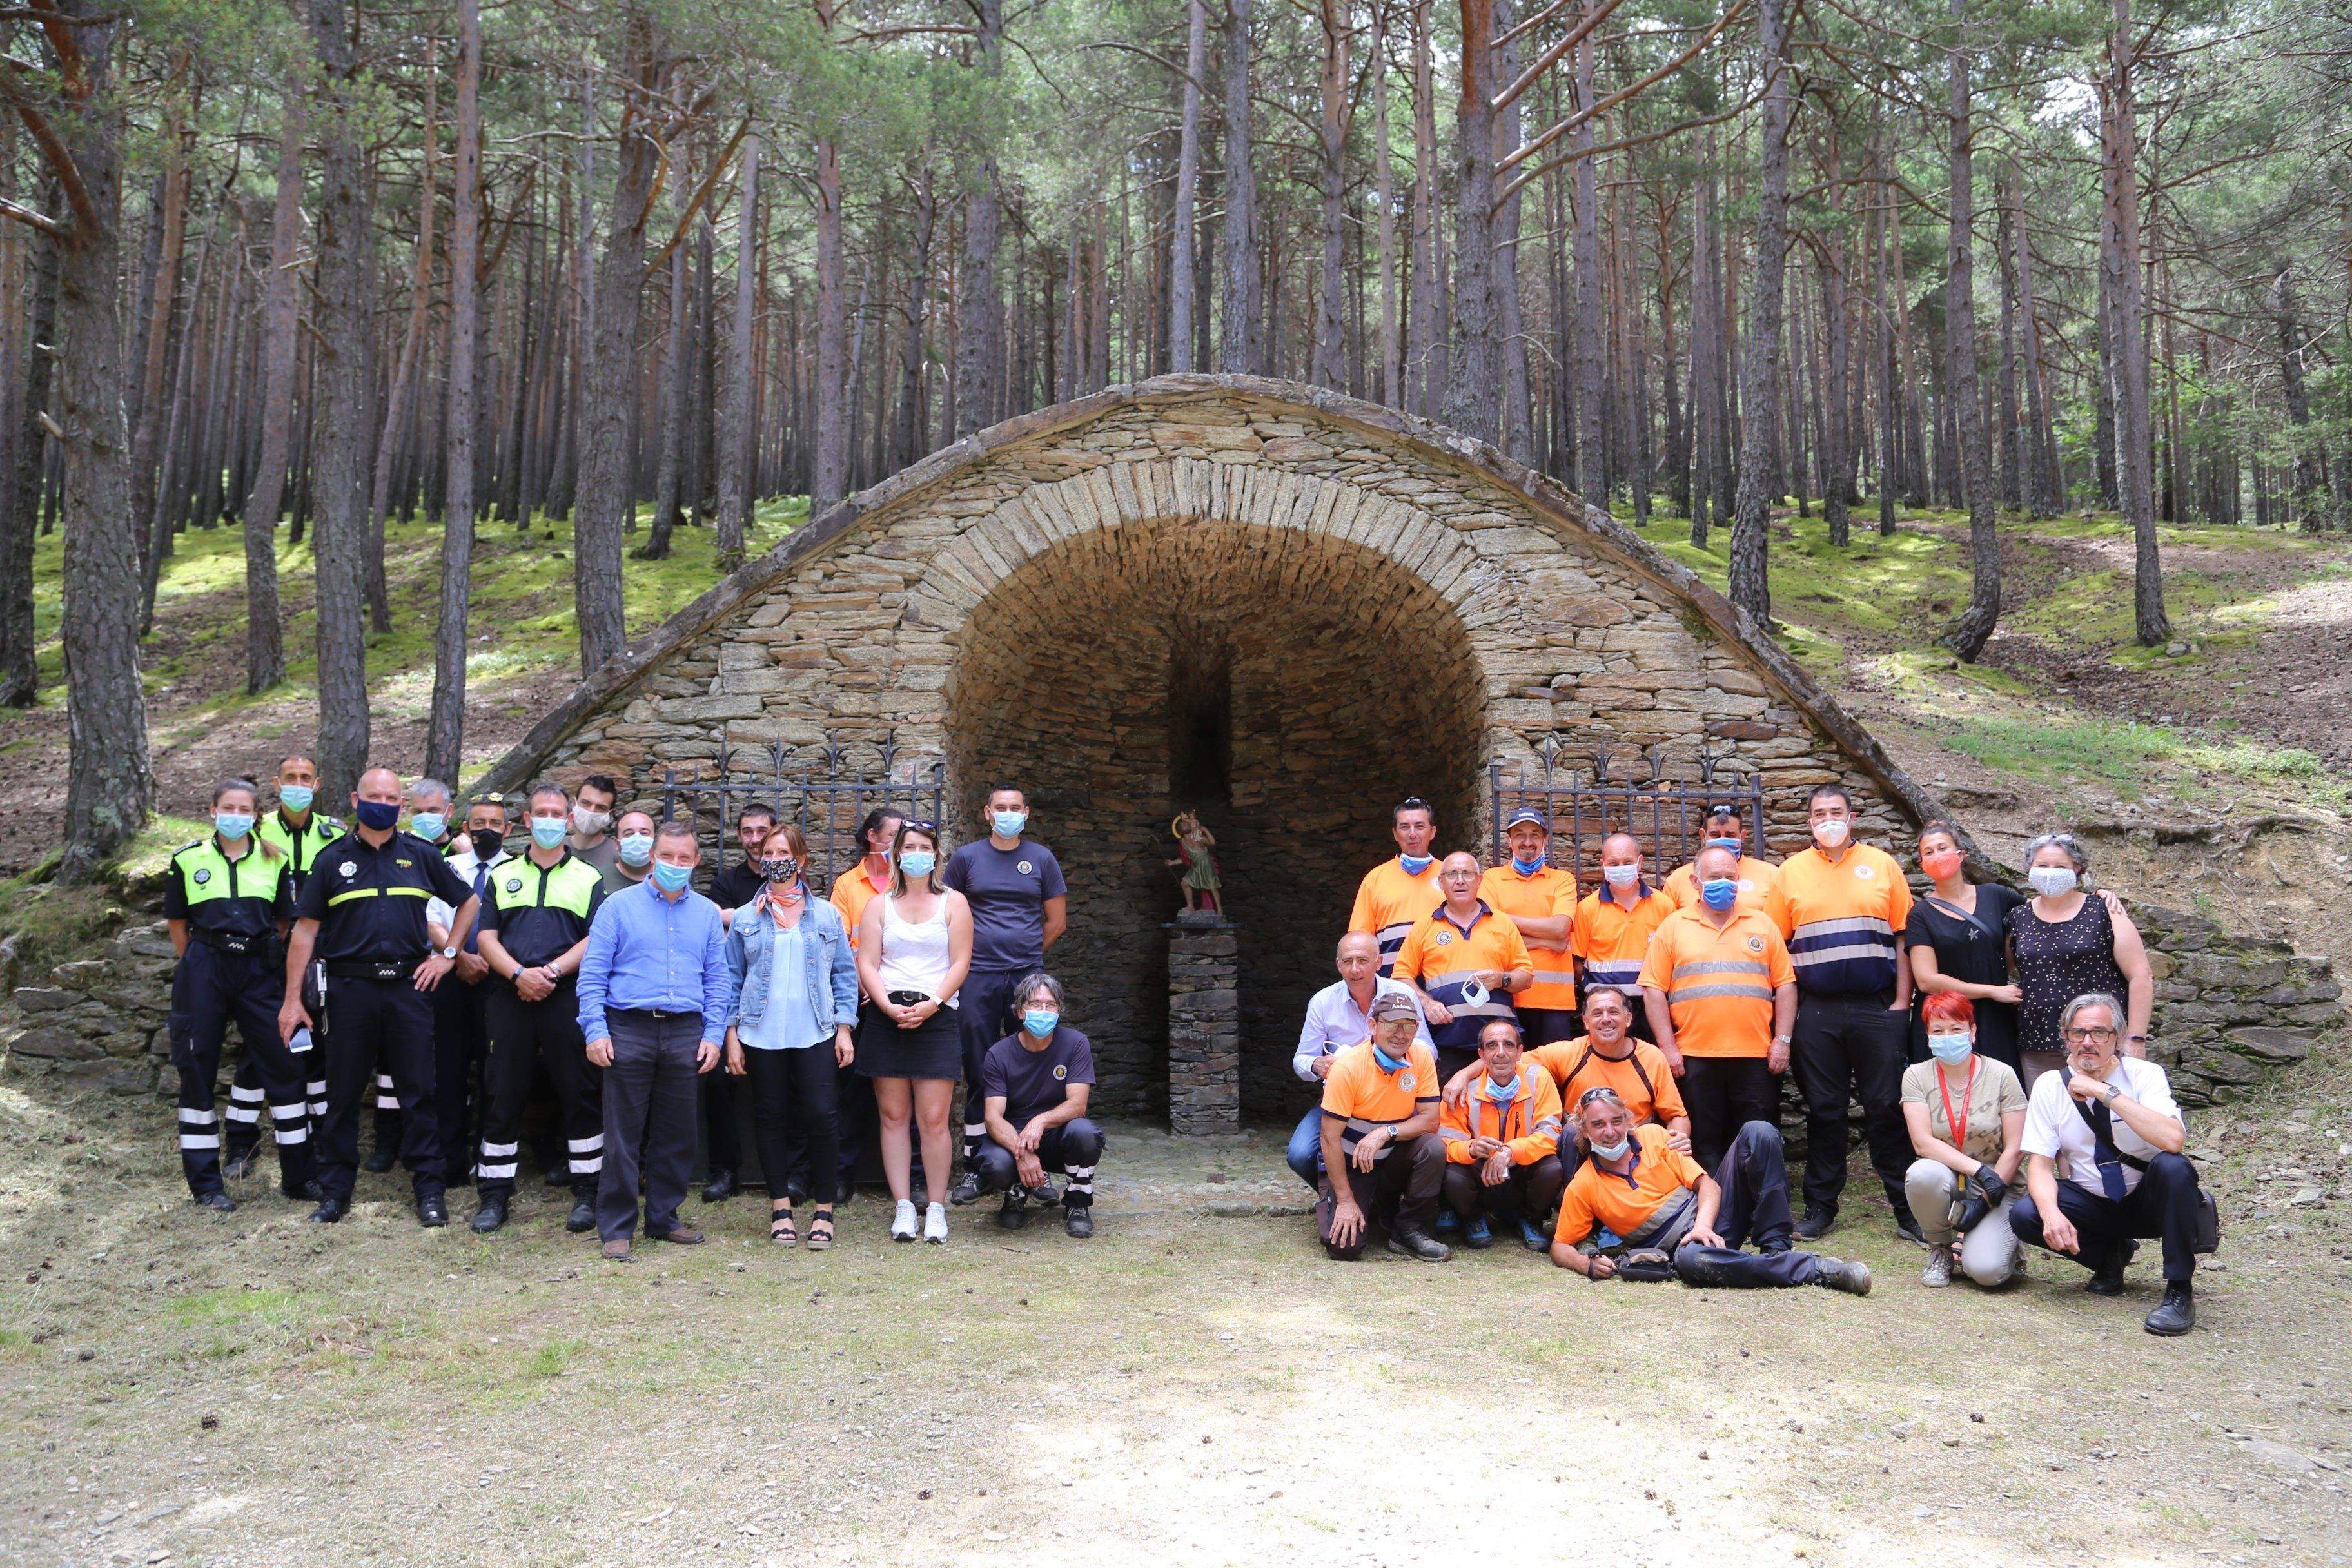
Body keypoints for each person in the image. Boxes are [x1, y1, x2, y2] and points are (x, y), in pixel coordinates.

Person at [278, 767, 478, 1227]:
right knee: (343, 1095)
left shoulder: (422, 855)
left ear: (401, 806)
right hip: (350, 990)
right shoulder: (331, 860)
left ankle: (430, 1192)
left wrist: (448, 954)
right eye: (374, 796)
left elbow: (468, 902)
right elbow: (304, 933)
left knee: (419, 1093)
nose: (383, 804)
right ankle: (335, 1194)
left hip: (411, 988)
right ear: (355, 799)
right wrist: (293, 1000)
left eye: (392, 798)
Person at [1765, 783, 1918, 1242]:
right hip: (1817, 1012)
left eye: (1836, 811)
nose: (1828, 819)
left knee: (1886, 1108)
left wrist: (1901, 1003)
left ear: (1852, 818)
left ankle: (1909, 1210)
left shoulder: (1883, 865)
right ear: (1809, 822)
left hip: (1877, 1007)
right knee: (1825, 1111)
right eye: (1819, 813)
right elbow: (1777, 948)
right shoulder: (1789, 872)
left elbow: (1904, 939)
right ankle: (1820, 1207)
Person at [574, 820, 729, 1262]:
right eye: (667, 857)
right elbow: (593, 975)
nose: (675, 865)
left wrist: (714, 1036)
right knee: (623, 1133)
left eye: (684, 858)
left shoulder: (705, 913)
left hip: (686, 1030)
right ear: (652, 858)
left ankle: (664, 1217)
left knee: (677, 1131)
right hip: (629, 1028)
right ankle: (617, 1227)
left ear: (696, 861)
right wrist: (596, 1030)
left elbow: (719, 981)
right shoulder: (617, 907)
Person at [1548, 1088, 1872, 1295]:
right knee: (1691, 1263)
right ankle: (1813, 1269)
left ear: (1628, 1121)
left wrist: (1703, 1226)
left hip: (1714, 1218)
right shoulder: (1584, 1184)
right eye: (1598, 1125)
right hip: (1680, 1250)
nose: (1610, 1132)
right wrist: (1583, 1264)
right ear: (1585, 1130)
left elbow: (1708, 1185)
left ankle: (1777, 1248)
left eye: (1616, 1121)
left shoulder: (1653, 1135)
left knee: (1758, 1132)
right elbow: (1561, 1246)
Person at [2009, 992, 2203, 1335]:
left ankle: (2179, 1291)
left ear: (2117, 1038)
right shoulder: (2049, 1085)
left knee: (2174, 1167)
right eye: (2077, 1033)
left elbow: (2173, 1139)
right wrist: (2052, 1214)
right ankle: (2108, 1259)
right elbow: (2039, 1165)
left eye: (2100, 1033)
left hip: (2148, 1201)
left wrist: (2105, 1093)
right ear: (2065, 1037)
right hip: (2092, 1200)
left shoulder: (2144, 1075)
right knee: (2027, 1214)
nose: (2087, 1042)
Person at [166, 780, 313, 1211]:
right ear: (212, 810)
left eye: (244, 808)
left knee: (286, 1067)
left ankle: (299, 1179)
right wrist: (197, 962)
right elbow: (178, 924)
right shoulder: (187, 859)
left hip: (258, 971)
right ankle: (207, 1186)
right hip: (205, 968)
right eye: (228, 807)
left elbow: (285, 922)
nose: (236, 814)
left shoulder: (275, 860)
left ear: (255, 815)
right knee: (196, 1072)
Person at [469, 783, 607, 1235]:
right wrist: (517, 976)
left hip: (565, 996)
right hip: (509, 996)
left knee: (580, 1091)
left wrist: (549, 973)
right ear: (527, 821)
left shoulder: (588, 878)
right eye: (540, 812)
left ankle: (589, 1192)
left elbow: (595, 939)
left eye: (557, 812)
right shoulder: (503, 875)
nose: (549, 819)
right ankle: (494, 1195)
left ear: (568, 821)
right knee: (502, 1092)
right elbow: (486, 936)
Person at [722, 824, 858, 1249]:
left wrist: (845, 1029)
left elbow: (844, 975)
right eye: (769, 851)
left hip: (815, 1030)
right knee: (770, 1118)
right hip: (760, 1032)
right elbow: (729, 979)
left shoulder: (827, 916)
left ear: (801, 861)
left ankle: (823, 1209)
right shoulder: (745, 917)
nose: (776, 858)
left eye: (785, 852)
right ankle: (780, 1206)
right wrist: (730, 1036)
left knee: (821, 1116)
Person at [943, 787, 1067, 1204]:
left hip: (1026, 978)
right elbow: (949, 914)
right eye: (1001, 808)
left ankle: (1032, 1166)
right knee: (980, 1070)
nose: (1009, 814)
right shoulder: (966, 858)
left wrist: (1026, 955)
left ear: (1026, 813)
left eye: (1016, 808)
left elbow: (1056, 921)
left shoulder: (1042, 859)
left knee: (1030, 1069)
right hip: (976, 975)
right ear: (987, 813)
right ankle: (978, 1166)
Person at [1638, 844, 1795, 1171]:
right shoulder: (1673, 926)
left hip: (1755, 1057)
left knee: (1756, 1137)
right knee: (1703, 1142)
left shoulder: (1763, 925)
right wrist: (1667, 1048)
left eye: (1729, 876)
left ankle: (1756, 1210)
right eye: (1714, 877)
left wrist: (1782, 1041)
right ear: (1695, 882)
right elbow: (1654, 991)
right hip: (1694, 1057)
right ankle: (1712, 1212)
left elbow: (1785, 985)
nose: (1723, 883)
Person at [856, 820, 974, 1244]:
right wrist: (886, 1005)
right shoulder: (878, 906)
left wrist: (933, 1004)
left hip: (936, 1015)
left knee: (934, 1119)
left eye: (926, 847)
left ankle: (937, 1209)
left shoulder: (954, 903)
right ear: (897, 855)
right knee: (892, 1117)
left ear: (936, 854)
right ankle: (904, 1206)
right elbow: (868, 962)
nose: (918, 854)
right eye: (911, 847)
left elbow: (961, 961)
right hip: (887, 1015)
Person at [227, 752, 342, 1177]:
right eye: (290, 777)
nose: (297, 783)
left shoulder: (334, 834)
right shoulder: (256, 830)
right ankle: (242, 1143)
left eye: (305, 777)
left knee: (317, 1049)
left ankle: (320, 1141)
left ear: (317, 784)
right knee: (259, 1050)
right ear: (276, 784)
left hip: (320, 956)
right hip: (266, 955)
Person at [1286, 932, 1434, 1190]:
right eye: (1348, 961)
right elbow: (1301, 1059)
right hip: (1342, 1101)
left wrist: (1394, 1051)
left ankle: (1384, 1201)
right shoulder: (1323, 1002)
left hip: (1396, 1096)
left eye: (1363, 960)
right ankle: (1337, 1195)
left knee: (1430, 1147)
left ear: (1378, 963)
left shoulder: (1401, 994)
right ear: (1338, 965)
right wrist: (1316, 1065)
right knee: (1300, 1155)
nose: (1355, 969)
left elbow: (1429, 1049)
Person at [1902, 993, 2028, 1289]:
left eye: (1956, 1029)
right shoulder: (1916, 1076)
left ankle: (2009, 1246)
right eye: (1938, 1031)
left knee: (1986, 1273)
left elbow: (2016, 1147)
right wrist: (1977, 1170)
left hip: (1998, 1183)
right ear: (1928, 1036)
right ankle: (1941, 1249)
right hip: (1948, 1179)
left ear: (1972, 1032)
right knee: (1922, 1174)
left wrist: (1985, 1199)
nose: (1947, 1037)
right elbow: (1923, 1144)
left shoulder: (2002, 1074)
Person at [2008, 832, 2153, 1084]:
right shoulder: (2018, 918)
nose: (2050, 872)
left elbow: (2140, 975)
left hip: (2100, 1040)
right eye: (2042, 866)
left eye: (2061, 866)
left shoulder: (2105, 911)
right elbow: (2001, 967)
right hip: (2038, 1042)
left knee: (2110, 1115)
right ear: (2030, 868)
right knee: (2051, 1116)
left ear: (2077, 868)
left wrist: (2136, 1039)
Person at [1317, 991, 1449, 1262]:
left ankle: (1409, 1229)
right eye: (1392, 1024)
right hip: (1352, 1163)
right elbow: (1329, 1139)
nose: (1401, 1034)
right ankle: (1345, 1201)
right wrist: (1344, 1201)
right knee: (1344, 1249)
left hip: (1391, 1157)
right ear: (1373, 1026)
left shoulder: (1421, 1058)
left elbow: (1431, 1119)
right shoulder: (1348, 1068)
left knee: (1433, 1148)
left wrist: (1385, 1132)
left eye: (1409, 1025)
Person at [422, 789, 509, 1192]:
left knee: (496, 1077)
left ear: (508, 828)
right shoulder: (447, 866)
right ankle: (450, 1160)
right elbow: (431, 920)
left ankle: (490, 1158)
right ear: (466, 828)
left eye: (495, 824)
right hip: (451, 981)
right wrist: (458, 956)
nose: (487, 831)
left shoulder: (517, 871)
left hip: (499, 985)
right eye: (479, 824)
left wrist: (490, 962)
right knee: (449, 1073)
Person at [974, 973, 1103, 1238]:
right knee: (995, 1165)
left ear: (1059, 1011)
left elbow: (1078, 1105)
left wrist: (1041, 1121)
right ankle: (1015, 1195)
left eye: (1051, 1005)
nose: (1044, 1011)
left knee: (1086, 1134)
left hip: (1057, 1135)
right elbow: (993, 1117)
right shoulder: (998, 1053)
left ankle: (1078, 1203)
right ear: (1020, 1012)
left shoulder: (1076, 1043)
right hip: (1014, 1137)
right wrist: (1023, 1153)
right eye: (1035, 1004)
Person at [1504, 985, 1688, 1171]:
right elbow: (1507, 1059)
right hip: (1583, 1149)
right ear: (1586, 1022)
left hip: (1636, 1148)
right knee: (1571, 1130)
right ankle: (1573, 1196)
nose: (1606, 1019)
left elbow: (1676, 1115)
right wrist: (1472, 1072)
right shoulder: (1568, 1053)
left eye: (1614, 1012)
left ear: (1628, 1018)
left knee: (1654, 1134)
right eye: (1597, 1013)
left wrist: (1678, 1137)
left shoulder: (1651, 1057)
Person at [1391, 851, 1533, 1084]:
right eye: (1452, 874)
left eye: (1467, 873)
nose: (1460, 880)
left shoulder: (1502, 922)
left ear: (1478, 881)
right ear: (1441, 883)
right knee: (1447, 1111)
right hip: (1446, 1043)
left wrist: (1502, 980)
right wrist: (1427, 1003)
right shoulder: (1424, 926)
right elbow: (1401, 975)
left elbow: (1526, 977)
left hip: (1499, 1046)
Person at [696, 803, 777, 1205]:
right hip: (735, 993)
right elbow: (720, 927)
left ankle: (790, 1172)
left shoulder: (790, 877)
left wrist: (737, 916)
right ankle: (725, 1171)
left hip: (779, 997)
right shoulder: (727, 881)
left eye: (762, 830)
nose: (755, 838)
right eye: (747, 831)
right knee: (720, 1085)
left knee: (782, 1088)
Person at [824, 808, 903, 1200]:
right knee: (851, 1093)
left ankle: (914, 1178)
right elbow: (840, 945)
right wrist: (866, 985)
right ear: (873, 837)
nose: (902, 845)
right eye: (895, 836)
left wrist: (885, 987)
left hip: (901, 1000)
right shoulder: (847, 885)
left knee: (910, 1090)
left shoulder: (911, 883)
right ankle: (841, 1176)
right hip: (859, 1001)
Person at [1904, 821, 2026, 1073]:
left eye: (1942, 848)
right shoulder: (1920, 915)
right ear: (1921, 864)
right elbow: (1927, 980)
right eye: (1929, 852)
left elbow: (2047, 911)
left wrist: (2098, 898)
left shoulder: (1997, 896)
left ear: (1961, 854)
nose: (1937, 856)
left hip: (1994, 1019)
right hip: (1946, 1021)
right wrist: (1992, 991)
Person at [1437, 1019, 1564, 1252]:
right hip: (1481, 1172)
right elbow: (1445, 1141)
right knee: (1454, 1174)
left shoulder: (1539, 1078)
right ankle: (1473, 1218)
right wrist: (1472, 1149)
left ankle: (1530, 1218)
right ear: (1482, 1054)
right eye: (1492, 1046)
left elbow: (1550, 1134)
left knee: (1551, 1168)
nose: (1501, 1053)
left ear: (1520, 1052)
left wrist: (1510, 1151)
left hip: (1521, 1169)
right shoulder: (1463, 1087)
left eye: (1508, 1045)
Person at [1476, 808, 1580, 1044]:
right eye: (1520, 834)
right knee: (1509, 1071)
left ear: (1545, 839)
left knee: (1553, 1075)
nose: (1527, 842)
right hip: (1506, 997)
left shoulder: (1563, 879)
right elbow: (1492, 934)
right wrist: (1546, 941)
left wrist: (1505, 918)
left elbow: (1561, 930)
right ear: (1509, 840)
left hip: (1554, 1001)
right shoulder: (1491, 878)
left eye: (1535, 834)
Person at [1568, 834, 1670, 1040]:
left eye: (1627, 862)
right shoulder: (1586, 909)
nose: (1621, 867)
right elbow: (1576, 964)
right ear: (1603, 865)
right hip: (1602, 1008)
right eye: (1614, 863)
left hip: (1649, 1008)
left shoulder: (1664, 906)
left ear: (1640, 862)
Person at [1348, 796, 1444, 978]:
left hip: (1441, 982)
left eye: (1420, 826)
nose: (1412, 833)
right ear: (1395, 833)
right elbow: (1359, 942)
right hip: (1391, 985)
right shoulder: (1375, 879)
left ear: (1432, 832)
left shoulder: (1451, 875)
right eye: (1405, 827)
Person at [1664, 803, 1779, 916]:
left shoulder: (1771, 875)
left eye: (1730, 835)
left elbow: (1777, 928)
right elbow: (1669, 927)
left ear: (1742, 836)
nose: (1723, 840)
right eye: (1715, 835)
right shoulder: (1678, 879)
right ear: (1703, 836)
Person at [566, 775, 622, 883]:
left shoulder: (617, 856)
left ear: (611, 815)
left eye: (601, 808)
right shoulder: (556, 849)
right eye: (585, 803)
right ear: (573, 804)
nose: (591, 811)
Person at [603, 809, 656, 894]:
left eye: (644, 833)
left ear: (656, 840)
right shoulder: (600, 879)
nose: (637, 839)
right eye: (629, 834)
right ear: (617, 844)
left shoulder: (670, 878)